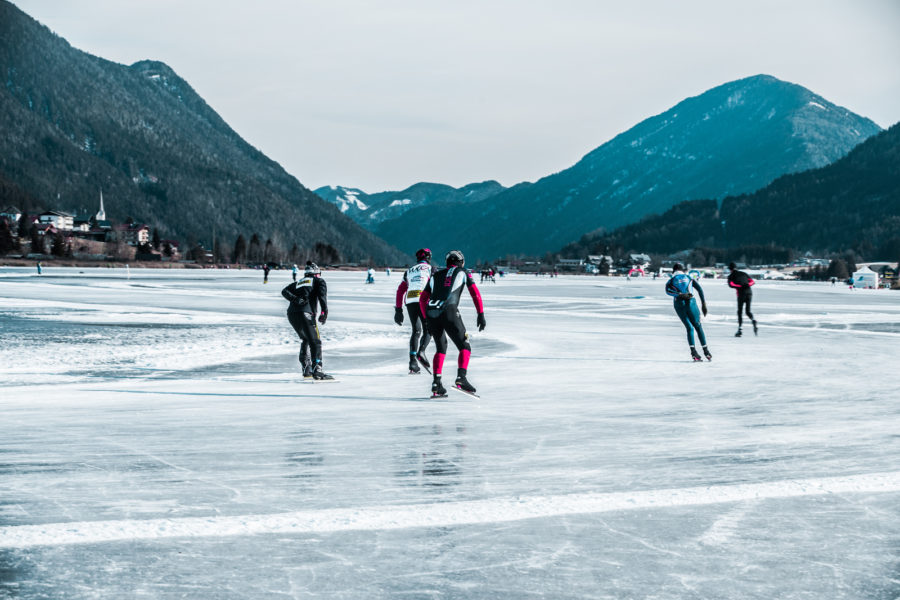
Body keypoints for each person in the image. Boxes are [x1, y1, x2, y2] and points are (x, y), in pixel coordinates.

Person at [419, 250, 486, 396]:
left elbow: (423, 298)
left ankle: (437, 383)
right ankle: (461, 377)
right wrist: (480, 314)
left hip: (431, 312)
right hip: (448, 310)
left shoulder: (435, 274)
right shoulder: (463, 271)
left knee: (440, 347)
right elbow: (475, 292)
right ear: (461, 262)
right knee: (464, 345)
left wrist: (426, 319)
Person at [281, 261, 332, 380]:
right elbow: (322, 297)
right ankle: (317, 370)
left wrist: (295, 299)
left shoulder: (299, 282)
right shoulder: (319, 281)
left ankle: (307, 369)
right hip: (306, 314)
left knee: (306, 339)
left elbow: (284, 291)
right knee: (315, 341)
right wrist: (324, 312)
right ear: (316, 274)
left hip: (292, 314)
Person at [394, 248, 434, 373]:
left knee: (416, 331)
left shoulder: (409, 271)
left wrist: (398, 310)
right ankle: (421, 352)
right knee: (429, 329)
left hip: (410, 300)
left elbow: (400, 291)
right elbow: (434, 287)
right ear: (428, 257)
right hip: (423, 300)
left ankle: (413, 362)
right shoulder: (431, 269)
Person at [665, 263, 711, 361]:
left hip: (679, 304)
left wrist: (679, 294)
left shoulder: (671, 280)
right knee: (698, 326)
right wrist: (703, 304)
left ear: (673, 271)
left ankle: (693, 352)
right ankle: (706, 351)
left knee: (689, 328)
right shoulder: (688, 277)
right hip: (691, 302)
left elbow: (667, 291)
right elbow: (700, 289)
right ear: (683, 270)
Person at [727, 262, 757, 336]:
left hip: (741, 294)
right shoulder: (744, 273)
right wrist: (747, 285)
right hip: (749, 293)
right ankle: (753, 320)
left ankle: (740, 329)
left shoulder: (730, 276)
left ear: (730, 269)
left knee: (740, 312)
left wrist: (739, 286)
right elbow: (752, 282)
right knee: (748, 311)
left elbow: (731, 284)